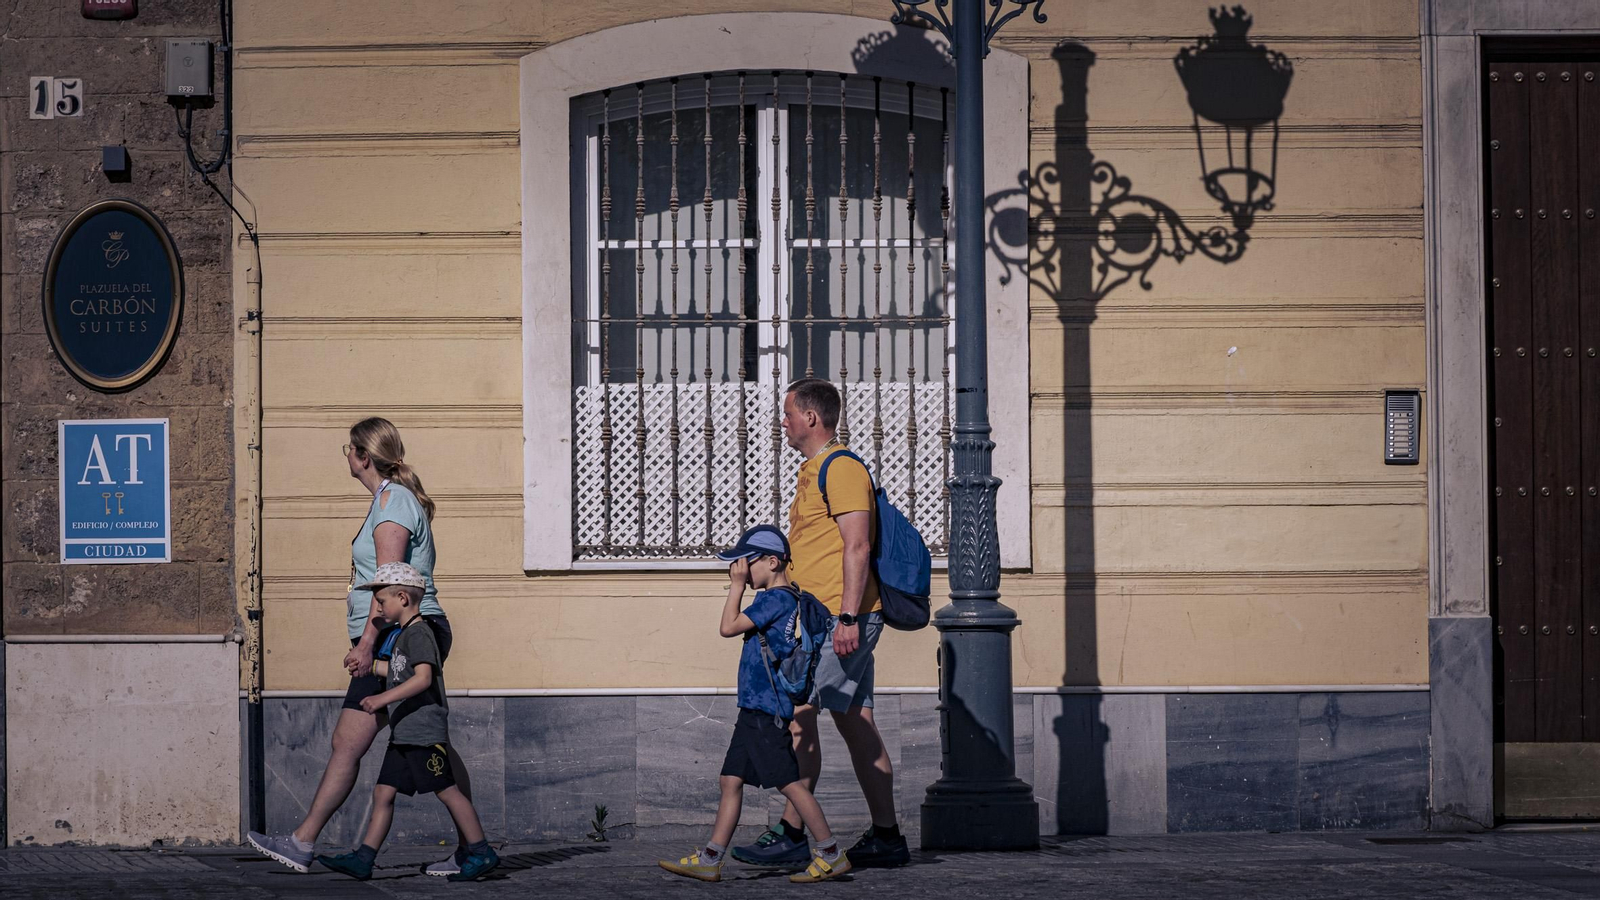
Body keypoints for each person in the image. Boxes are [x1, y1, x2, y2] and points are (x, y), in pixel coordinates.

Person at [248, 417, 469, 877]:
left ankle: (304, 842)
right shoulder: (389, 501)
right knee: (416, 741)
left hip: (395, 634)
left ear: (363, 456)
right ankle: (473, 846)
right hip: (392, 633)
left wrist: (369, 643)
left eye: (347, 449)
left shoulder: (391, 504)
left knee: (349, 742)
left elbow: (390, 587)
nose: (345, 457)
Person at [732, 379, 910, 868]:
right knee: (857, 725)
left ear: (811, 417)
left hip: (839, 618)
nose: (782, 421)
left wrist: (849, 617)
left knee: (799, 718)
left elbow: (858, 546)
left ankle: (793, 834)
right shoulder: (814, 471)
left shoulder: (843, 467)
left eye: (787, 413)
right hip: (823, 617)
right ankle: (888, 837)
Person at [658, 525, 851, 884]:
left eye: (747, 562)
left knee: (790, 784)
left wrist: (734, 586)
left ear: (773, 562)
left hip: (766, 709)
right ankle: (711, 859)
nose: (742, 570)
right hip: (755, 708)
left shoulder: (775, 600)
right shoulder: (784, 598)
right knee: (730, 780)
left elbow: (728, 627)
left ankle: (831, 853)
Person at [314, 562, 498, 882]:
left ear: (402, 598)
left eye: (381, 600)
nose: (378, 607)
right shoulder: (403, 636)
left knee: (447, 791)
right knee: (383, 793)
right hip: (404, 734)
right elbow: (402, 673)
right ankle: (363, 859)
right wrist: (370, 670)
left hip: (423, 732)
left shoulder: (419, 632)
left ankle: (481, 851)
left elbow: (424, 679)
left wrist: (381, 699)